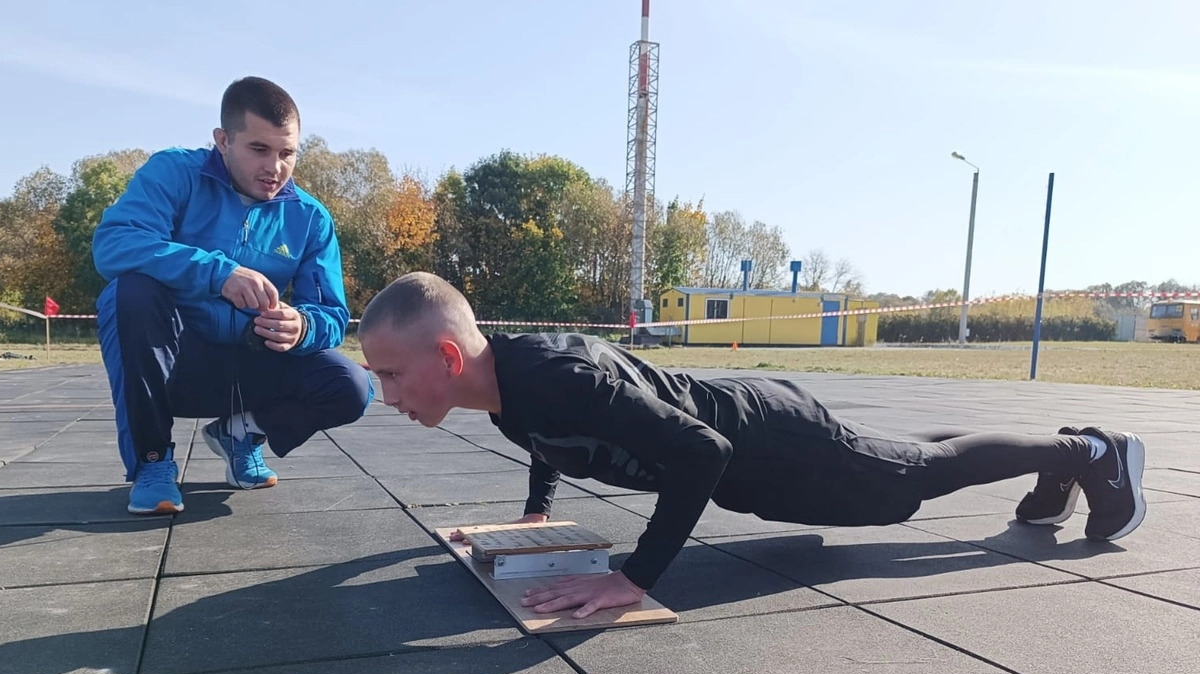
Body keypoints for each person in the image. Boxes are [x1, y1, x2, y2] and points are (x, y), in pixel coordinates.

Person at [357, 272, 1147, 619]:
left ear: (448, 358)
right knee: (903, 456)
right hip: (759, 446)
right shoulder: (503, 387)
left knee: (911, 481)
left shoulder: (553, 379)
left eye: (391, 374)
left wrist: (632, 578)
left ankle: (1092, 453)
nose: (388, 396)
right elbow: (544, 439)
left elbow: (701, 453)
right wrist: (537, 512)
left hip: (775, 441)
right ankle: (1059, 458)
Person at [92, 76, 373, 514]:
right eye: (259, 149)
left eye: (287, 153)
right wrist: (217, 272)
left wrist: (302, 326)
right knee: (131, 292)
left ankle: (240, 433)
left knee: (351, 385)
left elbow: (332, 314)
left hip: (250, 363)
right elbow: (115, 244)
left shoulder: (310, 217)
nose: (274, 167)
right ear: (222, 140)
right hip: (174, 363)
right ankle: (153, 461)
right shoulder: (174, 173)